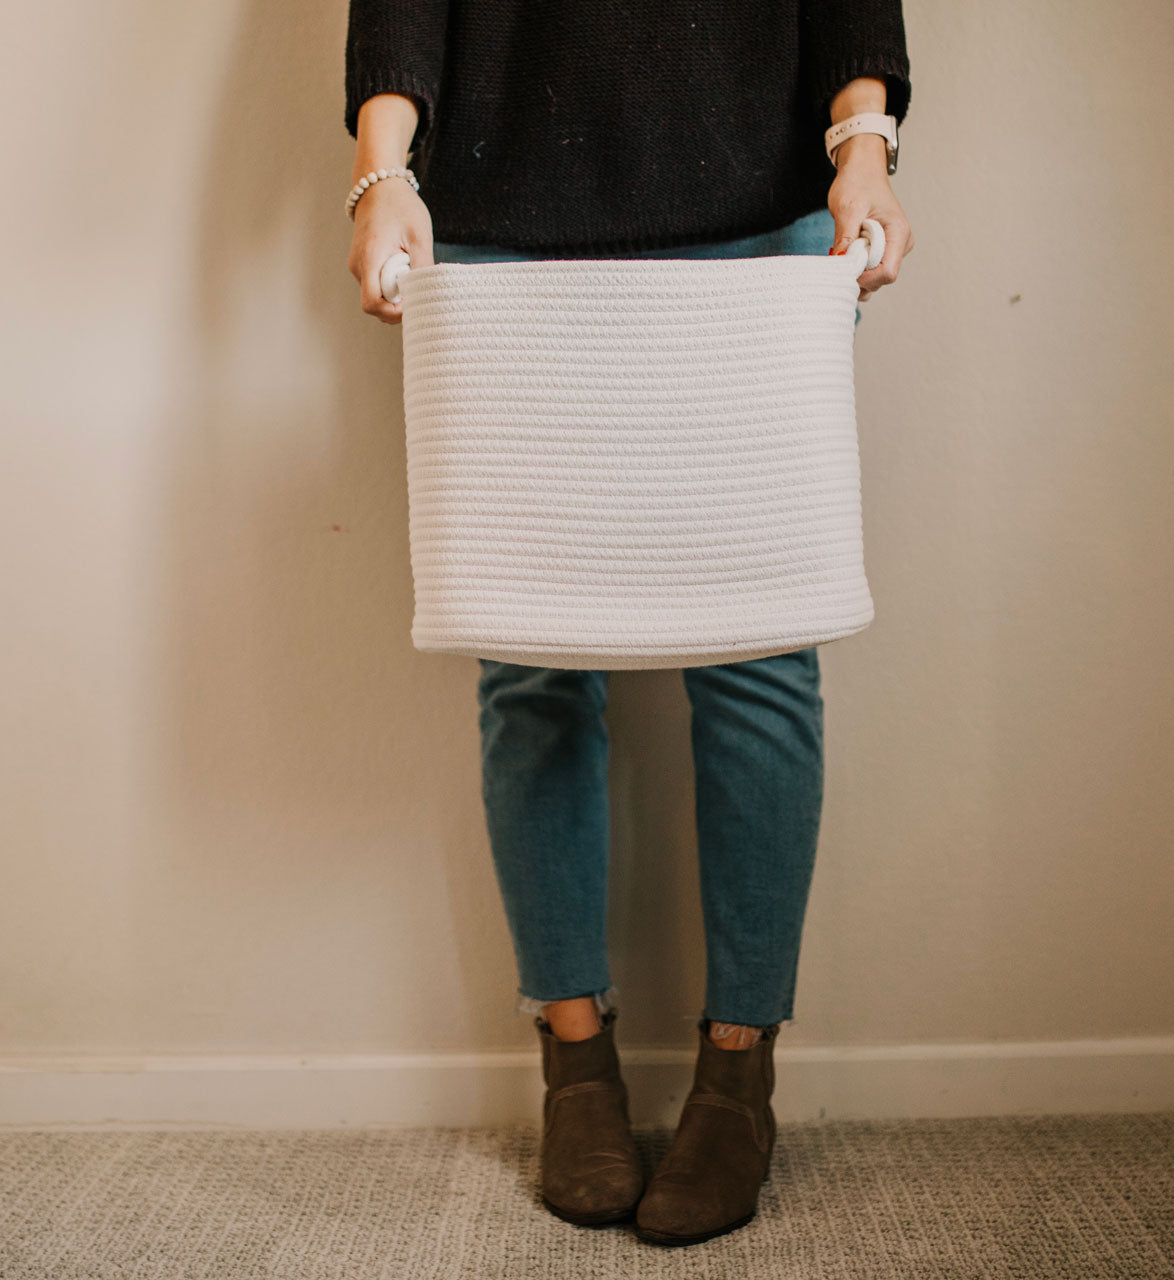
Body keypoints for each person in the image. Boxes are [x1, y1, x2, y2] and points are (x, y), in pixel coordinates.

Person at [343, 1, 913, 1247]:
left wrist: (862, 147)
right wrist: (379, 171)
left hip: (762, 219)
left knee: (762, 654)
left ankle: (735, 1078)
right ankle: (575, 1067)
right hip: (498, 222)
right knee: (527, 659)